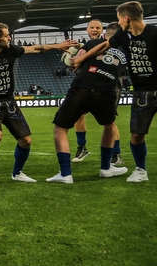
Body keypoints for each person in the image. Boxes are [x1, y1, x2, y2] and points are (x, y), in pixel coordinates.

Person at [0, 22, 76, 186]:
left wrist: (57, 46)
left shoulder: (11, 50)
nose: (10, 38)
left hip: (9, 102)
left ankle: (17, 173)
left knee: (26, 141)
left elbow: (35, 49)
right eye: (7, 35)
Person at [47, 22, 128, 183]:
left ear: (105, 35)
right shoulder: (124, 53)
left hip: (83, 86)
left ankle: (65, 174)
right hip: (107, 90)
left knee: (60, 129)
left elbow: (75, 61)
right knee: (110, 125)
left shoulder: (93, 43)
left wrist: (74, 57)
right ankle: (106, 168)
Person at [87, 1, 157, 183]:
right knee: (136, 135)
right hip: (142, 93)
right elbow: (103, 46)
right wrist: (82, 59)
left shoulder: (154, 33)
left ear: (126, 19)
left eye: (119, 19)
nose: (118, 23)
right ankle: (141, 170)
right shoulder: (122, 36)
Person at [71, 19, 105, 162]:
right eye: (92, 27)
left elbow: (75, 62)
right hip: (86, 86)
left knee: (109, 122)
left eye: (98, 27)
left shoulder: (108, 44)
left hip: (104, 87)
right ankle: (82, 147)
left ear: (102, 30)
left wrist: (75, 59)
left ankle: (116, 153)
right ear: (87, 30)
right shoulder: (85, 46)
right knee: (78, 116)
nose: (95, 30)